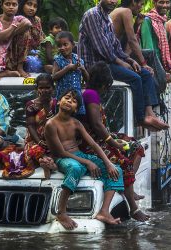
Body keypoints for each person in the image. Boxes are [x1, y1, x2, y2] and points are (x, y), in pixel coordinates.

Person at [78, 0, 168, 131]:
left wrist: (130, 60)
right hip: (96, 65)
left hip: (109, 61)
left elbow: (115, 45)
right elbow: (102, 48)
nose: (113, 1)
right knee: (135, 78)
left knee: (145, 74)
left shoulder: (107, 17)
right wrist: (122, 62)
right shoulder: (92, 15)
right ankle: (141, 118)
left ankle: (150, 114)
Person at [44, 89, 124, 230]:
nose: (69, 101)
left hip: (79, 155)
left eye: (74, 101)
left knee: (116, 170)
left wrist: (108, 163)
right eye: (67, 98)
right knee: (75, 168)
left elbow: (94, 144)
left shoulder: (75, 123)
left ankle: (104, 211)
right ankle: (61, 212)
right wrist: (87, 162)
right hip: (63, 158)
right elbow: (61, 152)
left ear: (76, 108)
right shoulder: (51, 124)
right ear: (59, 101)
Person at [80, 62, 149, 221]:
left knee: (135, 146)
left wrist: (114, 138)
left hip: (99, 137)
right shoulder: (91, 95)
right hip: (92, 143)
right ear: (103, 83)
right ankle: (133, 206)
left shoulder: (89, 93)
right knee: (123, 160)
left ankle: (127, 187)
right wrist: (113, 142)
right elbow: (97, 125)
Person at [0, 0, 32, 78]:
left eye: (14, 4)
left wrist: (5, 34)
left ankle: (19, 67)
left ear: (18, 6)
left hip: (10, 58)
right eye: (7, 4)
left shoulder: (19, 18)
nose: (11, 7)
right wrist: (13, 26)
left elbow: (28, 24)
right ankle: (5, 73)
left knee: (25, 33)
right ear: (2, 6)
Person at [23, 73, 57, 179]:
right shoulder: (31, 105)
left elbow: (57, 124)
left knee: (59, 152)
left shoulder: (57, 104)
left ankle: (50, 165)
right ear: (37, 89)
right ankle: (46, 163)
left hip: (53, 140)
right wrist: (40, 142)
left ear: (53, 88)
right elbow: (31, 126)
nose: (44, 90)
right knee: (35, 150)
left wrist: (47, 107)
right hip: (35, 140)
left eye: (47, 87)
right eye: (41, 87)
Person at [110, 0, 155, 74]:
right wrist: (144, 64)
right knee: (150, 54)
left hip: (117, 52)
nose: (141, 8)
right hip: (114, 54)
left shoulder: (119, 10)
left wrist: (136, 25)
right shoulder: (126, 11)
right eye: (141, 4)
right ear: (134, 2)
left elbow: (127, 37)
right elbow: (132, 40)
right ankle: (161, 81)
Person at [138, 0, 171, 78]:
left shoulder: (162, 20)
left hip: (159, 64)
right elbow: (149, 51)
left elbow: (162, 50)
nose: (164, 5)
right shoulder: (147, 20)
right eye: (161, 2)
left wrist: (167, 70)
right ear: (155, 3)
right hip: (151, 66)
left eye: (167, 2)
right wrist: (162, 73)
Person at [52, 31, 89, 116]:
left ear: (73, 45)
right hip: (63, 99)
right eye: (59, 46)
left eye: (65, 44)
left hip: (77, 100)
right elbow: (53, 77)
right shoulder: (58, 60)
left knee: (76, 120)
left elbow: (87, 79)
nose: (62, 48)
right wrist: (67, 68)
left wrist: (83, 70)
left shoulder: (78, 59)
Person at [7, 0, 46, 76]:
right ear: (22, 4)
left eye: (35, 6)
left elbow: (41, 39)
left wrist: (41, 53)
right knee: (25, 33)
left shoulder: (37, 20)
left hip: (33, 53)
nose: (32, 8)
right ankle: (19, 67)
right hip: (14, 55)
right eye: (29, 4)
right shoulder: (14, 18)